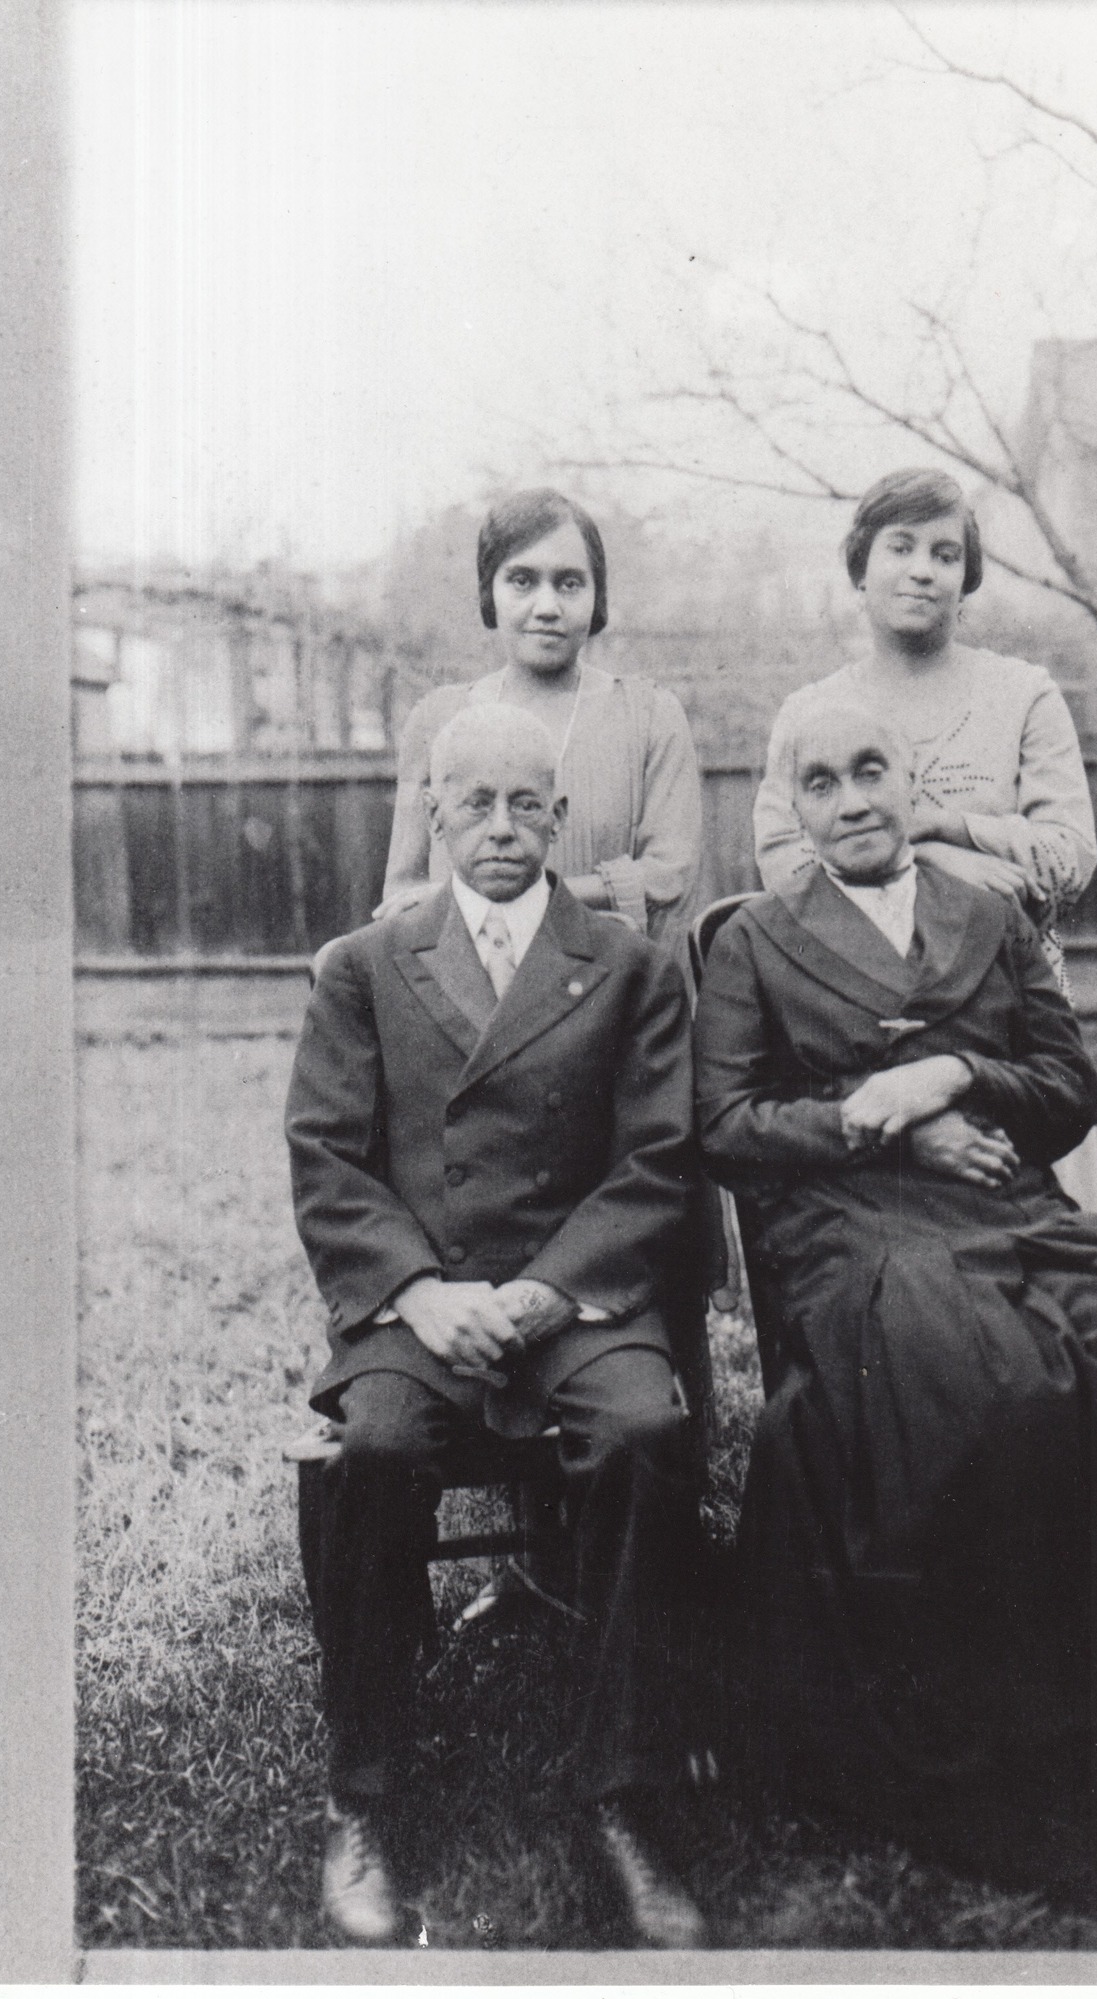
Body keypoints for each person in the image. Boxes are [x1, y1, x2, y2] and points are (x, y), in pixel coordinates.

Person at [696, 701, 1097, 1878]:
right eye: (821, 783)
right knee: (989, 1384)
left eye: (874, 767)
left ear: (911, 774)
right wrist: (884, 1132)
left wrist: (955, 1069)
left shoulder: (990, 914)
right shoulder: (754, 941)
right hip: (852, 1225)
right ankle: (1015, 1759)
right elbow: (722, 1126)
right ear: (792, 807)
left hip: (1011, 1201)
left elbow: (1067, 1088)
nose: (855, 798)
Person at [287, 704, 708, 1948]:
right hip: (422, 1298)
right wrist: (419, 1291)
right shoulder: (364, 964)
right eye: (474, 803)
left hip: (572, 1293)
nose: (503, 828)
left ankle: (621, 1789)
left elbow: (659, 1161)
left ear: (562, 820)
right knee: (372, 1450)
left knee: (642, 1431)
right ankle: (363, 1789)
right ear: (433, 814)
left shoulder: (627, 965)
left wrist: (542, 1290)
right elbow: (328, 1159)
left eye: (529, 804)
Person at [752, 466, 1097, 1212]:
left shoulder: (1022, 694)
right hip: (851, 1014)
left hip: (1008, 1007)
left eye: (945, 555)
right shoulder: (811, 711)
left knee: (1040, 1224)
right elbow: (783, 862)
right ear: (860, 566)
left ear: (964, 577)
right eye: (900, 547)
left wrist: (950, 823)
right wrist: (935, 862)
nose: (922, 570)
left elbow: (1070, 857)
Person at [381, 488, 703, 947]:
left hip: (606, 989)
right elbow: (402, 889)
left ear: (597, 596)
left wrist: (520, 900)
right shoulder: (436, 721)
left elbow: (668, 880)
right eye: (522, 581)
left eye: (569, 583)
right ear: (489, 592)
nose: (547, 606)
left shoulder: (651, 718)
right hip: (468, 986)